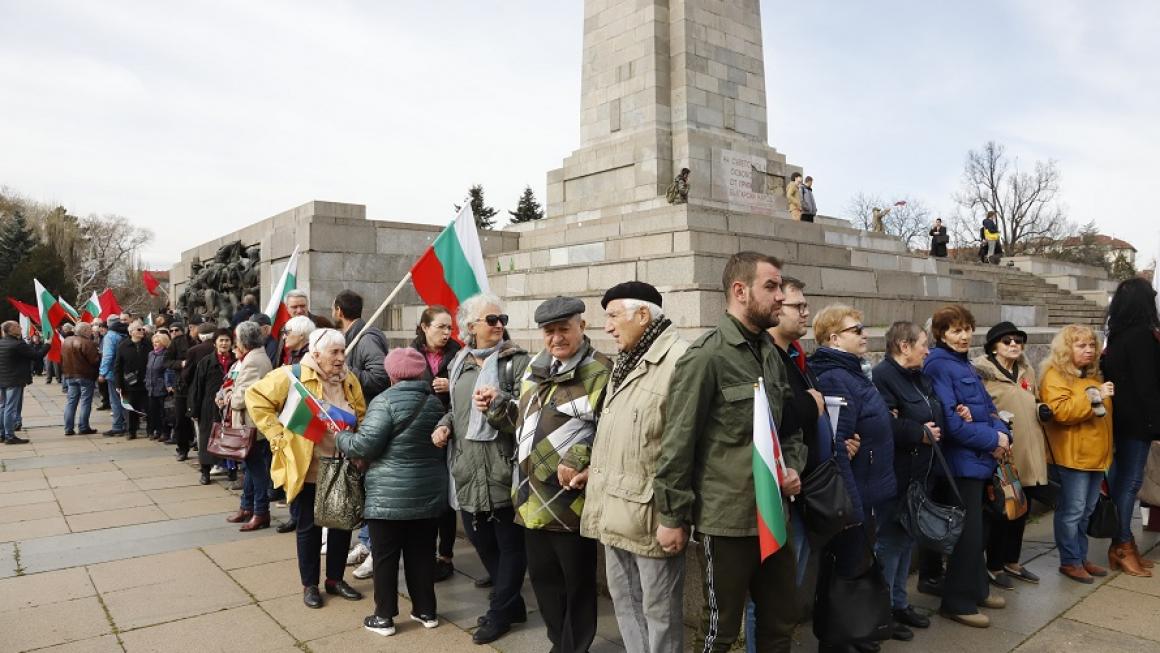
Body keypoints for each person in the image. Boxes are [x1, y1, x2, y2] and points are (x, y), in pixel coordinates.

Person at [653, 251, 805, 653]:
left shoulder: (771, 354)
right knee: (719, 632)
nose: (780, 296)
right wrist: (671, 516)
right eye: (770, 286)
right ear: (740, 291)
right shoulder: (706, 356)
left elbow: (788, 430)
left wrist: (793, 467)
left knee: (780, 623)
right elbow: (677, 441)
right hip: (727, 521)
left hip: (774, 514)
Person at [484, 296, 611, 653]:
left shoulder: (601, 370)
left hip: (569, 500)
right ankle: (559, 641)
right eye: (549, 331)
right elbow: (522, 423)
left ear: (582, 327)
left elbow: (608, 430)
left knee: (578, 584)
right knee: (543, 581)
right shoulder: (536, 366)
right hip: (528, 498)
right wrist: (497, 407)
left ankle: (574, 647)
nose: (556, 338)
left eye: (563, 329)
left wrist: (580, 455)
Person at [582, 282, 688, 653]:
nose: (607, 327)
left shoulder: (678, 361)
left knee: (660, 614)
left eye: (613, 316)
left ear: (643, 315)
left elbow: (684, 448)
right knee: (626, 604)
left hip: (651, 517)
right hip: (614, 507)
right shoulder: (626, 361)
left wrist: (673, 516)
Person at [431, 293, 531, 645]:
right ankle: (513, 603)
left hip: (501, 468)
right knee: (480, 540)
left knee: (509, 544)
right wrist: (444, 425)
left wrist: (497, 406)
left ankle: (500, 611)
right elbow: (458, 412)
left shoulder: (516, 361)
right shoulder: (458, 361)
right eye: (491, 320)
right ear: (470, 327)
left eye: (501, 318)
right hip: (467, 467)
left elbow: (527, 415)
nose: (499, 324)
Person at [245, 328, 367, 609]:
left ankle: (335, 580)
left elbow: (361, 412)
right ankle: (309, 584)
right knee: (308, 528)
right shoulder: (292, 375)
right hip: (306, 466)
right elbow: (256, 398)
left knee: (340, 526)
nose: (340, 358)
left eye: (342, 351)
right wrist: (277, 435)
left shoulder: (349, 379)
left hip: (340, 463)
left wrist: (357, 438)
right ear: (316, 354)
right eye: (334, 352)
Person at [337, 347, 447, 637]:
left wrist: (341, 436)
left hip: (388, 496)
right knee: (422, 554)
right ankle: (426, 611)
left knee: (385, 557)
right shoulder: (434, 403)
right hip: (428, 493)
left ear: (391, 374)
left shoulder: (384, 401)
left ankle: (384, 617)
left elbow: (364, 446)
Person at [810, 305, 897, 651]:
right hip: (853, 497)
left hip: (867, 488)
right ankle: (842, 640)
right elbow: (837, 450)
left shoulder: (853, 372)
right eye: (856, 330)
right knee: (846, 575)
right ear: (834, 338)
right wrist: (852, 510)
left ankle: (857, 634)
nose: (864, 334)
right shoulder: (835, 377)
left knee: (858, 568)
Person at [923, 305, 1010, 628]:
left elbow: (990, 410)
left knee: (977, 532)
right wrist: (994, 439)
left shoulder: (964, 364)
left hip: (978, 460)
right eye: (955, 330)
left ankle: (975, 588)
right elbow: (953, 425)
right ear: (941, 334)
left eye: (966, 329)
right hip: (960, 464)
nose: (963, 336)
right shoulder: (939, 365)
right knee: (967, 535)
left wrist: (1003, 434)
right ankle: (957, 601)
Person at [871, 321, 942, 641]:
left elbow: (934, 413)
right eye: (923, 344)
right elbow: (884, 423)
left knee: (906, 541)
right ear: (904, 346)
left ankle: (900, 603)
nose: (927, 350)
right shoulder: (883, 376)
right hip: (896, 476)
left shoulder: (918, 376)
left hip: (919, 476)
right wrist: (919, 431)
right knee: (890, 544)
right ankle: (881, 611)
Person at [972, 322, 1051, 587]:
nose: (1014, 345)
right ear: (994, 346)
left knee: (1022, 509)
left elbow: (1033, 399)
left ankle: (1012, 561)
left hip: (1030, 451)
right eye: (1007, 341)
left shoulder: (1026, 369)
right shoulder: (983, 373)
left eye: (1018, 340)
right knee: (1003, 512)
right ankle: (994, 565)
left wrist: (1041, 408)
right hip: (1004, 454)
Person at [1040, 325, 1114, 584]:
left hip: (1095, 457)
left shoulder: (1092, 376)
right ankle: (1070, 561)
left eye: (1092, 345)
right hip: (1073, 457)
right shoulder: (1054, 376)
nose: (1089, 350)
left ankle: (1080, 557)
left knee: (1086, 511)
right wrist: (1097, 398)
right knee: (1072, 511)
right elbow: (1062, 413)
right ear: (1066, 349)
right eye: (1081, 346)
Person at [1101, 277, 1160, 576]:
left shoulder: (1118, 335)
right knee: (1129, 485)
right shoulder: (1141, 336)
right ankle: (1122, 544)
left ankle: (1124, 544)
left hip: (1121, 419)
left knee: (1122, 482)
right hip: (1138, 422)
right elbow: (1147, 386)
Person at [412, 306, 461, 582]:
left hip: (448, 432)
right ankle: (425, 553)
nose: (446, 333)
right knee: (426, 496)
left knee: (446, 498)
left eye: (449, 327)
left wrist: (450, 386)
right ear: (424, 327)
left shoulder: (458, 353)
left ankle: (446, 556)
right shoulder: (411, 353)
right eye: (440, 327)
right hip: (420, 432)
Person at [224, 321, 274, 532]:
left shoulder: (254, 361)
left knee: (256, 470)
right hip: (252, 423)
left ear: (243, 340)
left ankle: (261, 511)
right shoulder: (254, 357)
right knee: (251, 468)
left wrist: (229, 395)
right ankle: (247, 507)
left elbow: (241, 398)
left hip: (252, 424)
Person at [189, 328, 236, 485]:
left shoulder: (236, 361)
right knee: (207, 438)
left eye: (227, 340)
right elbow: (197, 386)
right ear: (215, 343)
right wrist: (194, 409)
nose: (224, 343)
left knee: (230, 437)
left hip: (230, 406)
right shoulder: (206, 362)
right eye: (221, 340)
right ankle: (205, 471)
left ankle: (231, 469)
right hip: (209, 406)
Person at [333, 290, 390, 401]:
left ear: (339, 311)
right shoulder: (351, 337)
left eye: (333, 309)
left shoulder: (367, 339)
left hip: (367, 409)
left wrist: (344, 370)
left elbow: (379, 379)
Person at [0, 321, 49, 444]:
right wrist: (47, 344)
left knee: (3, 407)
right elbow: (37, 355)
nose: (20, 328)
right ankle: (9, 436)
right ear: (10, 330)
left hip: (3, 379)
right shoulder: (17, 344)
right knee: (10, 408)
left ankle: (2, 434)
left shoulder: (2, 342)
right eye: (17, 326)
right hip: (14, 380)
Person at [178, 323, 216, 461]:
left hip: (200, 393)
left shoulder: (194, 351)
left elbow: (186, 375)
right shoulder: (221, 349)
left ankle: (205, 459)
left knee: (202, 430)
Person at [61, 322, 101, 436]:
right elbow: (94, 360)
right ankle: (83, 426)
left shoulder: (66, 341)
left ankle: (68, 428)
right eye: (89, 330)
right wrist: (100, 356)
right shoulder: (88, 343)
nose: (91, 332)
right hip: (85, 375)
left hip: (70, 375)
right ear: (84, 331)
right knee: (85, 401)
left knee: (71, 402)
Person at [114, 320, 151, 440]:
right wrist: (119, 384)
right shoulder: (123, 346)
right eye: (139, 329)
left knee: (148, 407)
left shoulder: (148, 344)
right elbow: (118, 367)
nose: (142, 331)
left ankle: (150, 430)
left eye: (143, 329)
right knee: (131, 408)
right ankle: (132, 431)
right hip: (130, 383)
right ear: (131, 332)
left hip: (146, 381)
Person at [166, 322, 197, 457]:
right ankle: (182, 448)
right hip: (182, 386)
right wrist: (180, 364)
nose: (173, 332)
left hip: (197, 385)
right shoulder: (176, 343)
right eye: (171, 330)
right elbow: (167, 361)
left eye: (176, 330)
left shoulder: (201, 341)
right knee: (180, 419)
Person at [99, 317, 129, 436]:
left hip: (113, 373)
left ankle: (117, 426)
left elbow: (108, 356)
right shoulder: (125, 333)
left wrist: (102, 372)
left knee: (115, 400)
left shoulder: (110, 336)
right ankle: (128, 424)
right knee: (125, 398)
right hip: (125, 372)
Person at [144, 332, 176, 442]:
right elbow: (148, 370)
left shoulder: (166, 354)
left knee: (164, 412)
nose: (155, 344)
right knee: (153, 411)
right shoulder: (151, 354)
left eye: (157, 342)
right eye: (154, 342)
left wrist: (168, 385)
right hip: (151, 387)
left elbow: (168, 371)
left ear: (163, 343)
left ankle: (165, 432)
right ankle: (156, 430)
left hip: (162, 387)